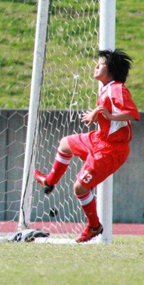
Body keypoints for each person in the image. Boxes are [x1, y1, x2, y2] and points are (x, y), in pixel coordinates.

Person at [34, 49, 139, 243]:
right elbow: (107, 108)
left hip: (111, 150)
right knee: (65, 144)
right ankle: (49, 181)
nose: (96, 66)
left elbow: (132, 114)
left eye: (101, 64)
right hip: (99, 139)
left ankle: (94, 226)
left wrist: (108, 115)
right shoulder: (107, 88)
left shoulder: (117, 88)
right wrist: (97, 113)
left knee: (80, 188)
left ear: (111, 70)